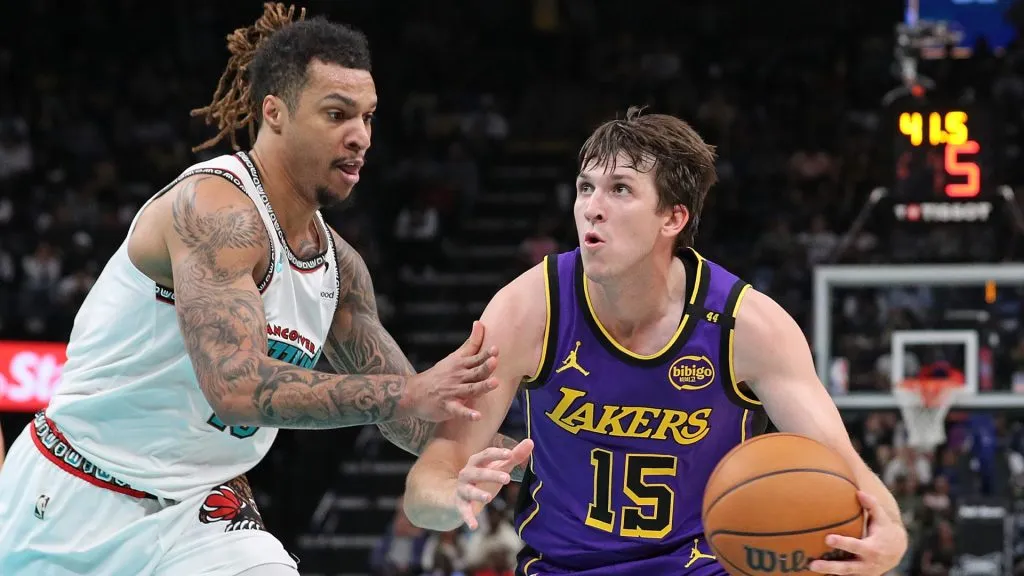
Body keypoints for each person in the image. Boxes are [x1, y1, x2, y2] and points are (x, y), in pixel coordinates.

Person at [0, 5, 518, 575]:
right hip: (77, 494)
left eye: (368, 117)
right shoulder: (215, 211)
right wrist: (405, 392)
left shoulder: (340, 270)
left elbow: (415, 419)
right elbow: (237, 387)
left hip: (200, 514)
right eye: (337, 114)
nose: (360, 137)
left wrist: (530, 457)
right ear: (274, 111)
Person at [402, 108, 908, 575]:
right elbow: (429, 478)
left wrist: (891, 530)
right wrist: (451, 498)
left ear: (674, 217)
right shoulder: (530, 308)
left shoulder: (747, 325)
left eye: (620, 189)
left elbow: (842, 463)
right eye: (584, 187)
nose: (591, 208)